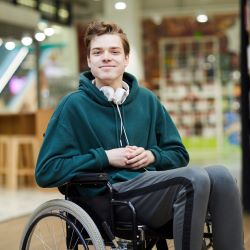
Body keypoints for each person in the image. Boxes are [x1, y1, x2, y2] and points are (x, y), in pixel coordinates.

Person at [35, 21, 244, 250]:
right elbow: (46, 171)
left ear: (126, 59)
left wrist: (152, 157)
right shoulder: (72, 106)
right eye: (98, 52)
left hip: (152, 189)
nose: (106, 57)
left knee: (222, 176)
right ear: (89, 60)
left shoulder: (147, 100)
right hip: (110, 197)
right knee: (193, 178)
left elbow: (178, 154)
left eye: (114, 51)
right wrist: (105, 157)